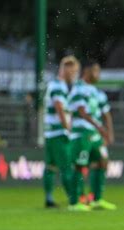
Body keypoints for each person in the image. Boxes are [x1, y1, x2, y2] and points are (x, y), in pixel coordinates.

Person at [68, 60, 116, 211]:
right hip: (82, 133)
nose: (98, 75)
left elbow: (106, 114)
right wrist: (101, 128)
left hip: (95, 133)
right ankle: (75, 203)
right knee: (79, 165)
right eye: (95, 71)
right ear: (87, 71)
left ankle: (96, 199)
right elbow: (82, 112)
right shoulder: (79, 89)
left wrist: (109, 133)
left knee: (103, 162)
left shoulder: (98, 92)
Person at [42, 55, 79, 208]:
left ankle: (49, 198)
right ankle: (73, 199)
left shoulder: (54, 85)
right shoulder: (59, 86)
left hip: (50, 133)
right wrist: (67, 127)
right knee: (66, 167)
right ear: (66, 70)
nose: (74, 75)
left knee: (50, 167)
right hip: (58, 133)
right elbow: (59, 107)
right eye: (73, 72)